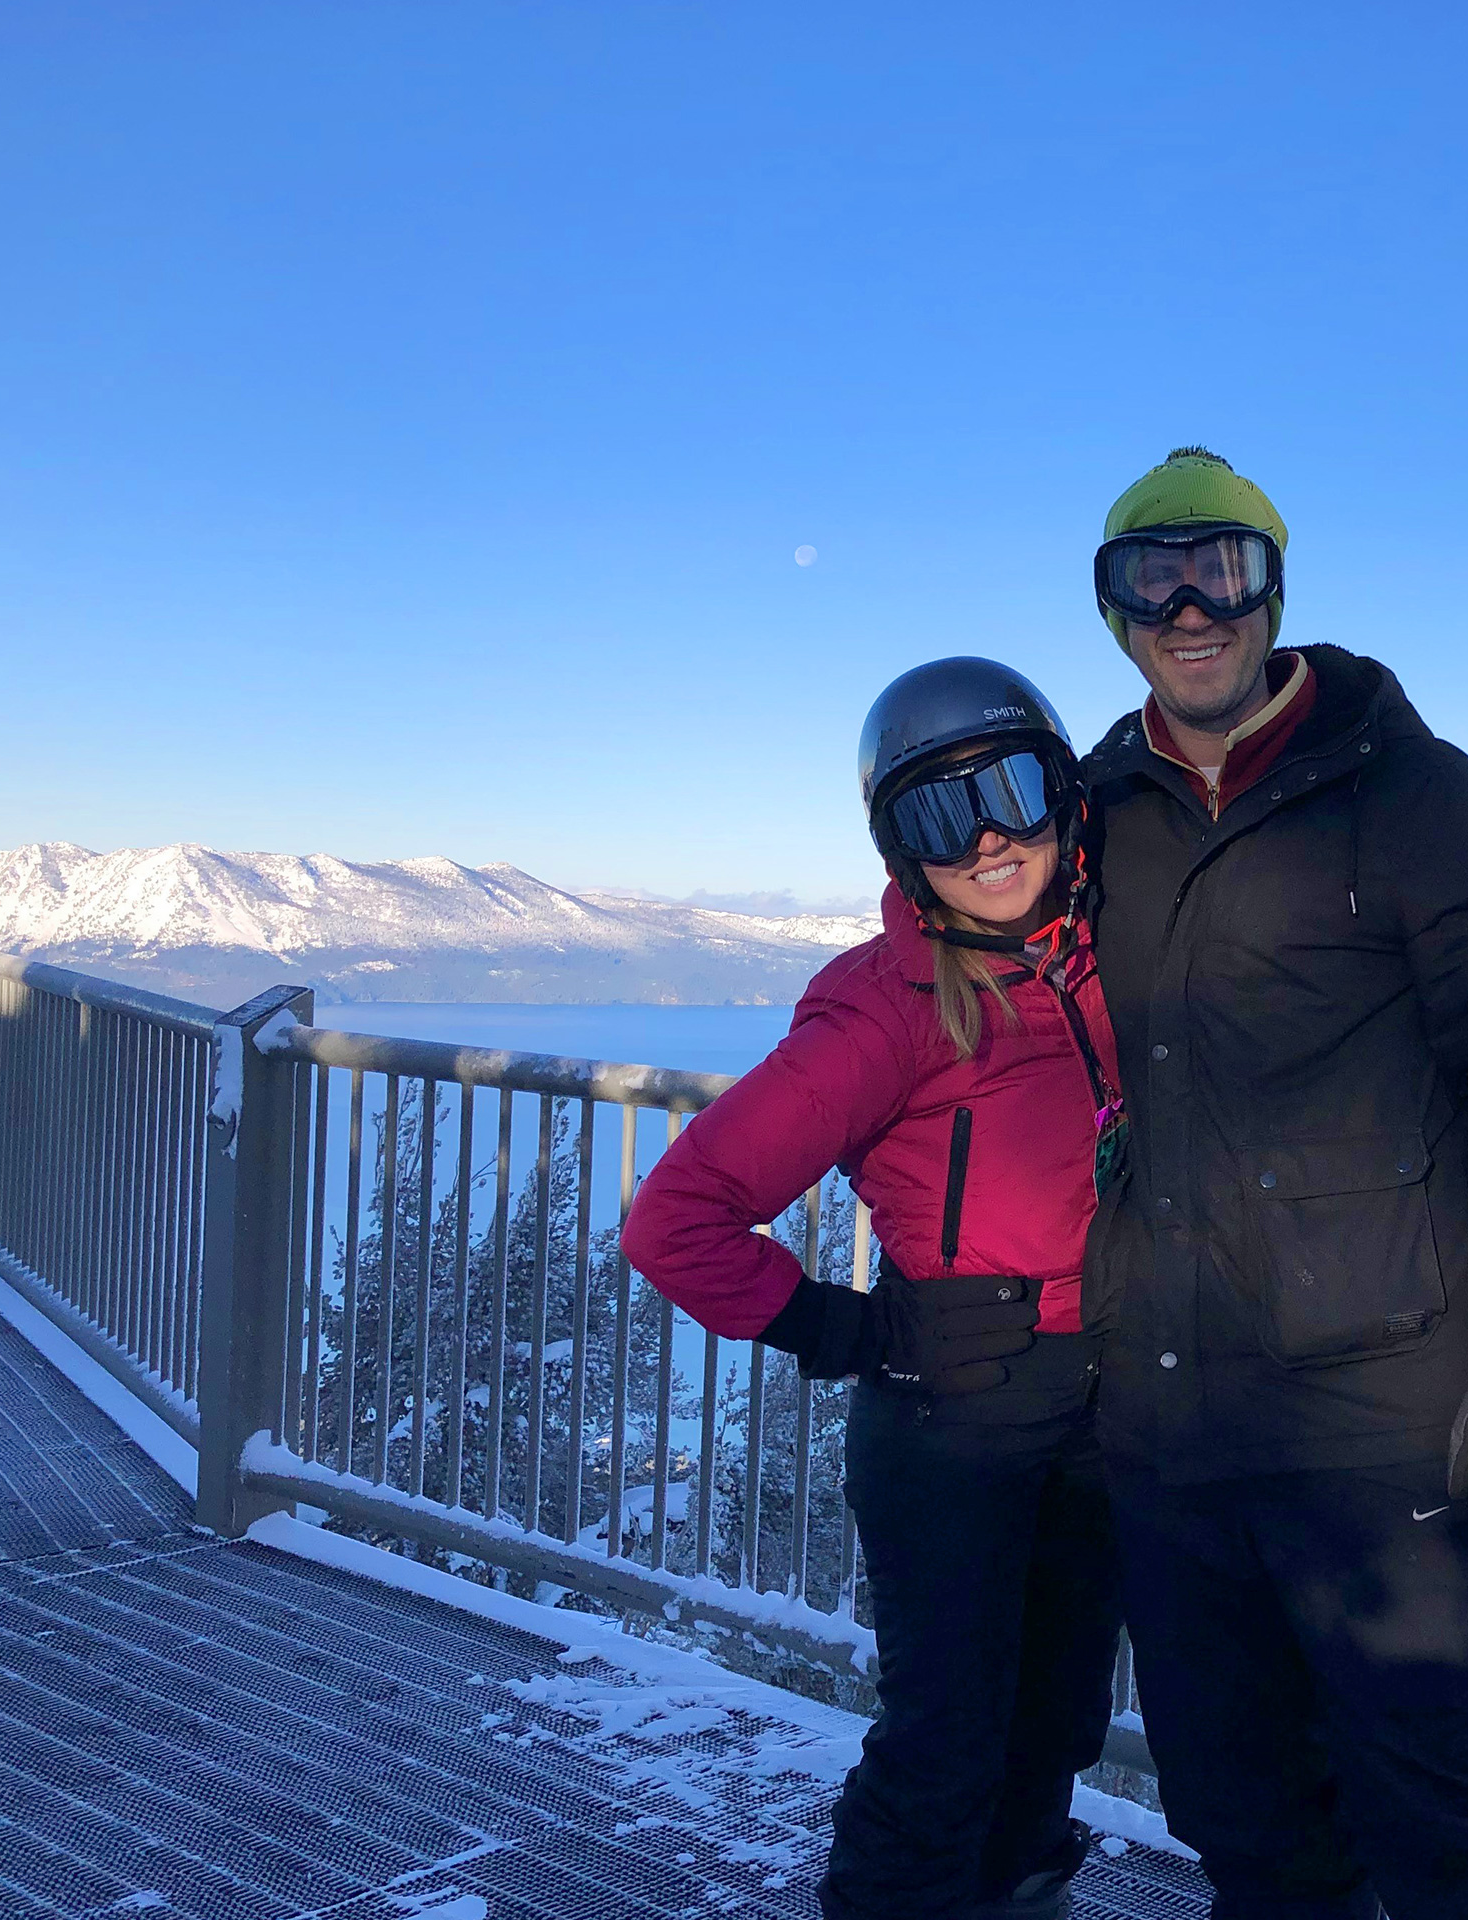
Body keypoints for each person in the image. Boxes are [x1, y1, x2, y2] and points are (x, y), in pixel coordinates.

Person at [1076, 447, 1468, 1920]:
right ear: (1113, 606)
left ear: (1275, 586)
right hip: (1176, 1417)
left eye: (1224, 569)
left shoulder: (1417, 795)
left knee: (1448, 1820)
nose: (1191, 606)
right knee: (1239, 1814)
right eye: (1151, 575)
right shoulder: (1096, 810)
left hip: (1384, 1423)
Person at [620, 658, 1123, 1920]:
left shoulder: (1117, 961)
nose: (991, 837)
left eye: (1011, 788)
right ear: (899, 851)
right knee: (944, 1744)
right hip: (954, 1417)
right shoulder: (881, 1011)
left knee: (1054, 1723)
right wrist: (847, 1326)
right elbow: (675, 1220)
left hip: (1108, 1408)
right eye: (940, 816)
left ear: (1064, 796)